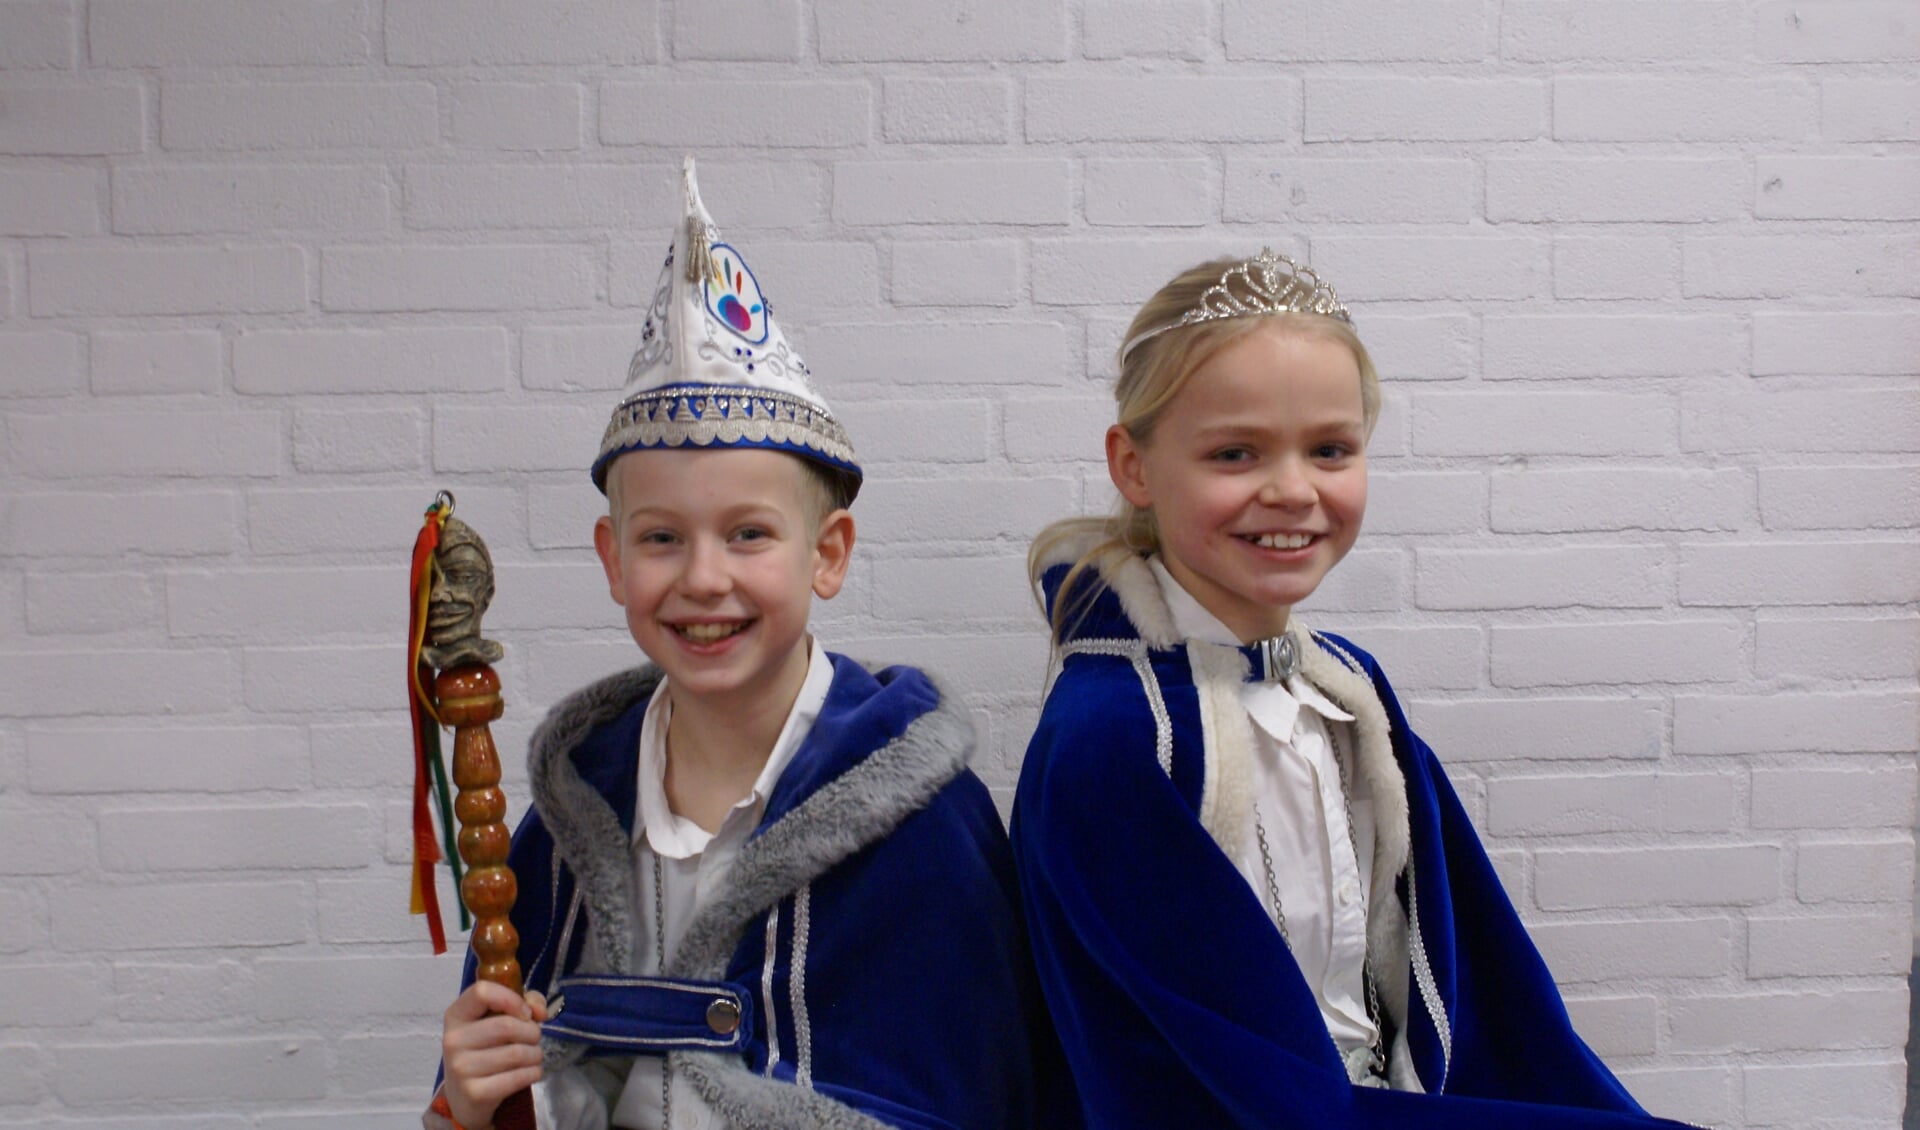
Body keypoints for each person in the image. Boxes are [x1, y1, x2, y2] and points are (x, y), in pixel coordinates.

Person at [426, 158, 1060, 1130]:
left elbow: (982, 1088)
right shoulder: (568, 819)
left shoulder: (925, 827)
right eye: (662, 537)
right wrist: (471, 1101)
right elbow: (520, 1091)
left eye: (749, 533)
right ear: (611, 556)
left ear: (828, 552)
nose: (704, 576)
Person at [1010, 250, 1699, 1129]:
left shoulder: (1347, 690)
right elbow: (1224, 1088)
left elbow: (1485, 991)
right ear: (1134, 465)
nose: (1293, 489)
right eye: (1235, 452)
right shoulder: (1118, 740)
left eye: (1330, 449)